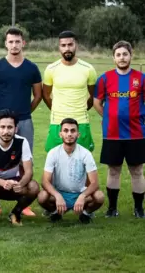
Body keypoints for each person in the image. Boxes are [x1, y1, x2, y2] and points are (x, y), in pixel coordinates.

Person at [0, 27, 42, 217]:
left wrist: (23, 114)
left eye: (17, 41)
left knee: (24, 160)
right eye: (10, 41)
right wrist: (1, 116)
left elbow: (38, 95)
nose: (14, 45)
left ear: (23, 43)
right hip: (0, 122)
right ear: (5, 43)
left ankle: (23, 202)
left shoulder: (32, 68)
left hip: (24, 121)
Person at [93, 41, 145, 218]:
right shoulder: (105, 79)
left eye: (125, 54)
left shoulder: (141, 78)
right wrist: (109, 117)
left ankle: (139, 209)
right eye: (118, 55)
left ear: (131, 55)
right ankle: (112, 209)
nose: (122, 58)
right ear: (113, 58)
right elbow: (97, 103)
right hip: (112, 134)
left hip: (136, 134)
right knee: (113, 170)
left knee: (137, 171)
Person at [0, 110, 40, 226]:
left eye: (10, 127)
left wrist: (21, 184)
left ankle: (15, 213)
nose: (6, 131)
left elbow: (29, 171)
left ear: (16, 129)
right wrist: (3, 183)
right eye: (2, 127)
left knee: (34, 187)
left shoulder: (22, 142)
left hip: (14, 183)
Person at [37, 118, 105, 223]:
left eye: (73, 131)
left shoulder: (85, 153)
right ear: (60, 134)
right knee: (42, 196)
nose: (69, 134)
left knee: (99, 196)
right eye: (66, 130)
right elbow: (45, 181)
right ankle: (55, 212)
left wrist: (82, 196)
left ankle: (86, 214)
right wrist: (57, 195)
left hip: (79, 193)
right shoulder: (53, 153)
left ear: (78, 134)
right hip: (59, 193)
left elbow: (95, 183)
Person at [43, 31, 97, 153]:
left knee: (82, 162)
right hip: (57, 122)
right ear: (59, 47)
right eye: (63, 45)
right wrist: (57, 109)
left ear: (76, 45)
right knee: (54, 163)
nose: (67, 48)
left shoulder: (88, 69)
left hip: (81, 122)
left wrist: (81, 108)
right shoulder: (51, 69)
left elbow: (93, 96)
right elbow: (46, 95)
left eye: (70, 44)